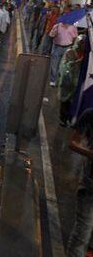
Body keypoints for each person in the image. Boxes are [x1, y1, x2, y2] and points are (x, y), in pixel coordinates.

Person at [67, 108, 93, 257]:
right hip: (90, 187)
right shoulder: (90, 114)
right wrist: (90, 153)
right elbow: (73, 142)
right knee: (82, 235)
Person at [57, 35, 85, 126]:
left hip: (76, 83)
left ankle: (69, 118)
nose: (83, 45)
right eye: (82, 43)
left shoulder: (85, 54)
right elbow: (65, 67)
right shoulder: (71, 52)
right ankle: (62, 119)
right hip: (67, 82)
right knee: (65, 102)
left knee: (71, 103)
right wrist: (77, 62)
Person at [49, 22, 78, 87]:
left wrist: (72, 47)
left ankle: (60, 80)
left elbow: (75, 37)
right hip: (57, 47)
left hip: (67, 47)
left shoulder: (73, 27)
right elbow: (51, 35)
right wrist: (54, 34)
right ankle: (53, 80)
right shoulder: (57, 26)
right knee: (54, 64)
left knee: (63, 65)